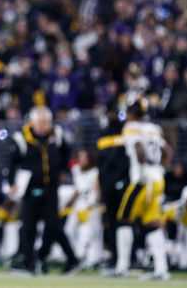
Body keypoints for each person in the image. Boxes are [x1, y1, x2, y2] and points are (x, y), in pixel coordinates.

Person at [7, 106, 80, 275]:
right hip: (30, 189)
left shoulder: (58, 135)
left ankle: (45, 258)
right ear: (32, 122)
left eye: (46, 122)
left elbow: (67, 153)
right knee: (28, 227)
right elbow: (12, 163)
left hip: (51, 188)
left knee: (53, 226)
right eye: (40, 122)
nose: (43, 125)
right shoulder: (21, 138)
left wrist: (63, 170)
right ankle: (29, 263)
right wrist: (12, 183)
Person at [113, 97, 172, 280]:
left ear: (132, 112)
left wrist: (142, 169)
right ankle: (161, 269)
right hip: (158, 179)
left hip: (142, 180)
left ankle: (122, 267)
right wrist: (160, 169)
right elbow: (168, 151)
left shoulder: (131, 128)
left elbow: (138, 148)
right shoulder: (154, 128)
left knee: (124, 219)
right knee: (152, 223)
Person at [96, 112, 129, 273]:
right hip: (111, 185)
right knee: (113, 223)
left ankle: (124, 259)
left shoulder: (126, 132)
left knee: (123, 222)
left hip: (119, 185)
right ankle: (116, 258)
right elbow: (100, 164)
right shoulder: (105, 135)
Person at [65, 148, 102, 269]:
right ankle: (75, 256)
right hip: (79, 204)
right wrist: (70, 202)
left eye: (84, 157)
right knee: (69, 230)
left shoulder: (95, 171)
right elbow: (78, 188)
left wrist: (92, 203)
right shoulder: (76, 170)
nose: (81, 159)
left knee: (91, 234)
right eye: (79, 157)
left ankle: (93, 259)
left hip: (91, 205)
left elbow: (97, 190)